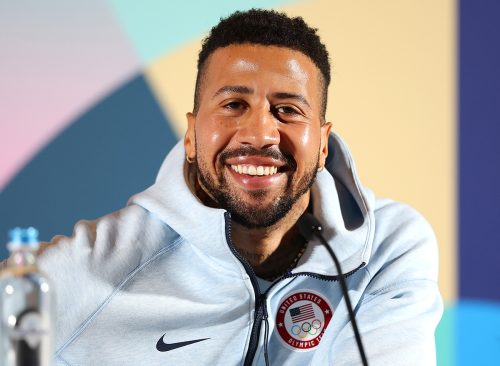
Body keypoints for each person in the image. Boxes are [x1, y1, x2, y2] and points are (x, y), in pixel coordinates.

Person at [26, 9, 442, 365]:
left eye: (287, 110)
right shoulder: (92, 268)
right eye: (233, 105)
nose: (260, 134)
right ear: (191, 136)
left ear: (323, 143)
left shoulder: (386, 246)